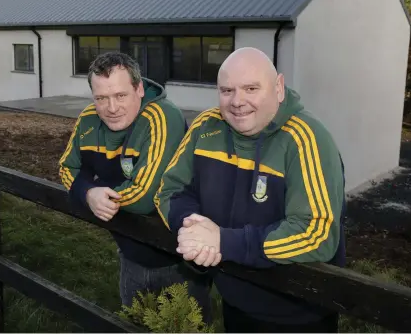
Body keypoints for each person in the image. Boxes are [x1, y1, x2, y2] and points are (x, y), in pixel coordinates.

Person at [154, 47, 346, 332]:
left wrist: (224, 242)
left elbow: (316, 233)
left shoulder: (307, 139)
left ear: (278, 88)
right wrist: (192, 229)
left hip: (298, 313)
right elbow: (169, 189)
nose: (237, 101)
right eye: (227, 90)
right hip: (235, 301)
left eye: (251, 88)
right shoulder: (206, 127)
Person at [58, 51, 212, 319]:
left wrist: (94, 190)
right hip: (130, 253)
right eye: (101, 98)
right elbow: (66, 168)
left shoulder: (163, 116)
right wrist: (88, 192)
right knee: (134, 323)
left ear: (139, 89)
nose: (112, 107)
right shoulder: (89, 119)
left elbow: (145, 196)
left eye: (120, 95)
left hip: (179, 259)